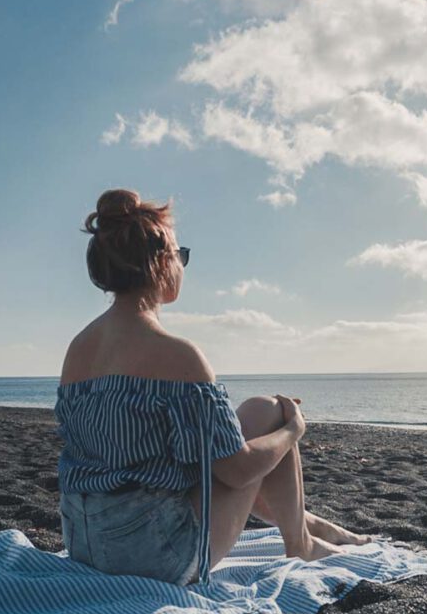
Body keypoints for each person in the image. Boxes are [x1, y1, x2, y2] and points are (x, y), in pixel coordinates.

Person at [54, 188, 373, 588]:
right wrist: (294, 430)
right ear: (160, 264)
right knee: (273, 414)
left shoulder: (78, 348)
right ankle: (301, 541)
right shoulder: (177, 355)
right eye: (180, 254)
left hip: (83, 542)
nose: (183, 264)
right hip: (155, 555)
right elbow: (236, 472)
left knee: (255, 411)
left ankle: (305, 524)